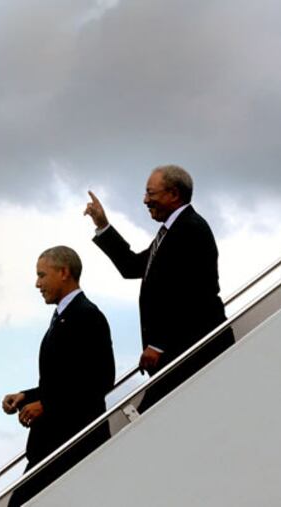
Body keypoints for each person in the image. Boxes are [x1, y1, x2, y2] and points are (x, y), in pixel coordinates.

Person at [84, 164, 233, 412]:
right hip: (177, 351)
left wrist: (159, 344)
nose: (145, 200)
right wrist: (103, 225)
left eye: (151, 194)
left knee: (146, 421)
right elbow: (131, 266)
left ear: (174, 194)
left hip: (190, 349)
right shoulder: (171, 232)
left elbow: (193, 293)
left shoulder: (190, 229)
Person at [2, 246, 115, 506]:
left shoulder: (87, 316)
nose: (37, 283)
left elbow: (100, 379)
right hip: (52, 445)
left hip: (72, 444)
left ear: (64, 272)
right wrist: (25, 396)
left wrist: (46, 405)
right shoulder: (64, 317)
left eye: (42, 275)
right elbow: (64, 381)